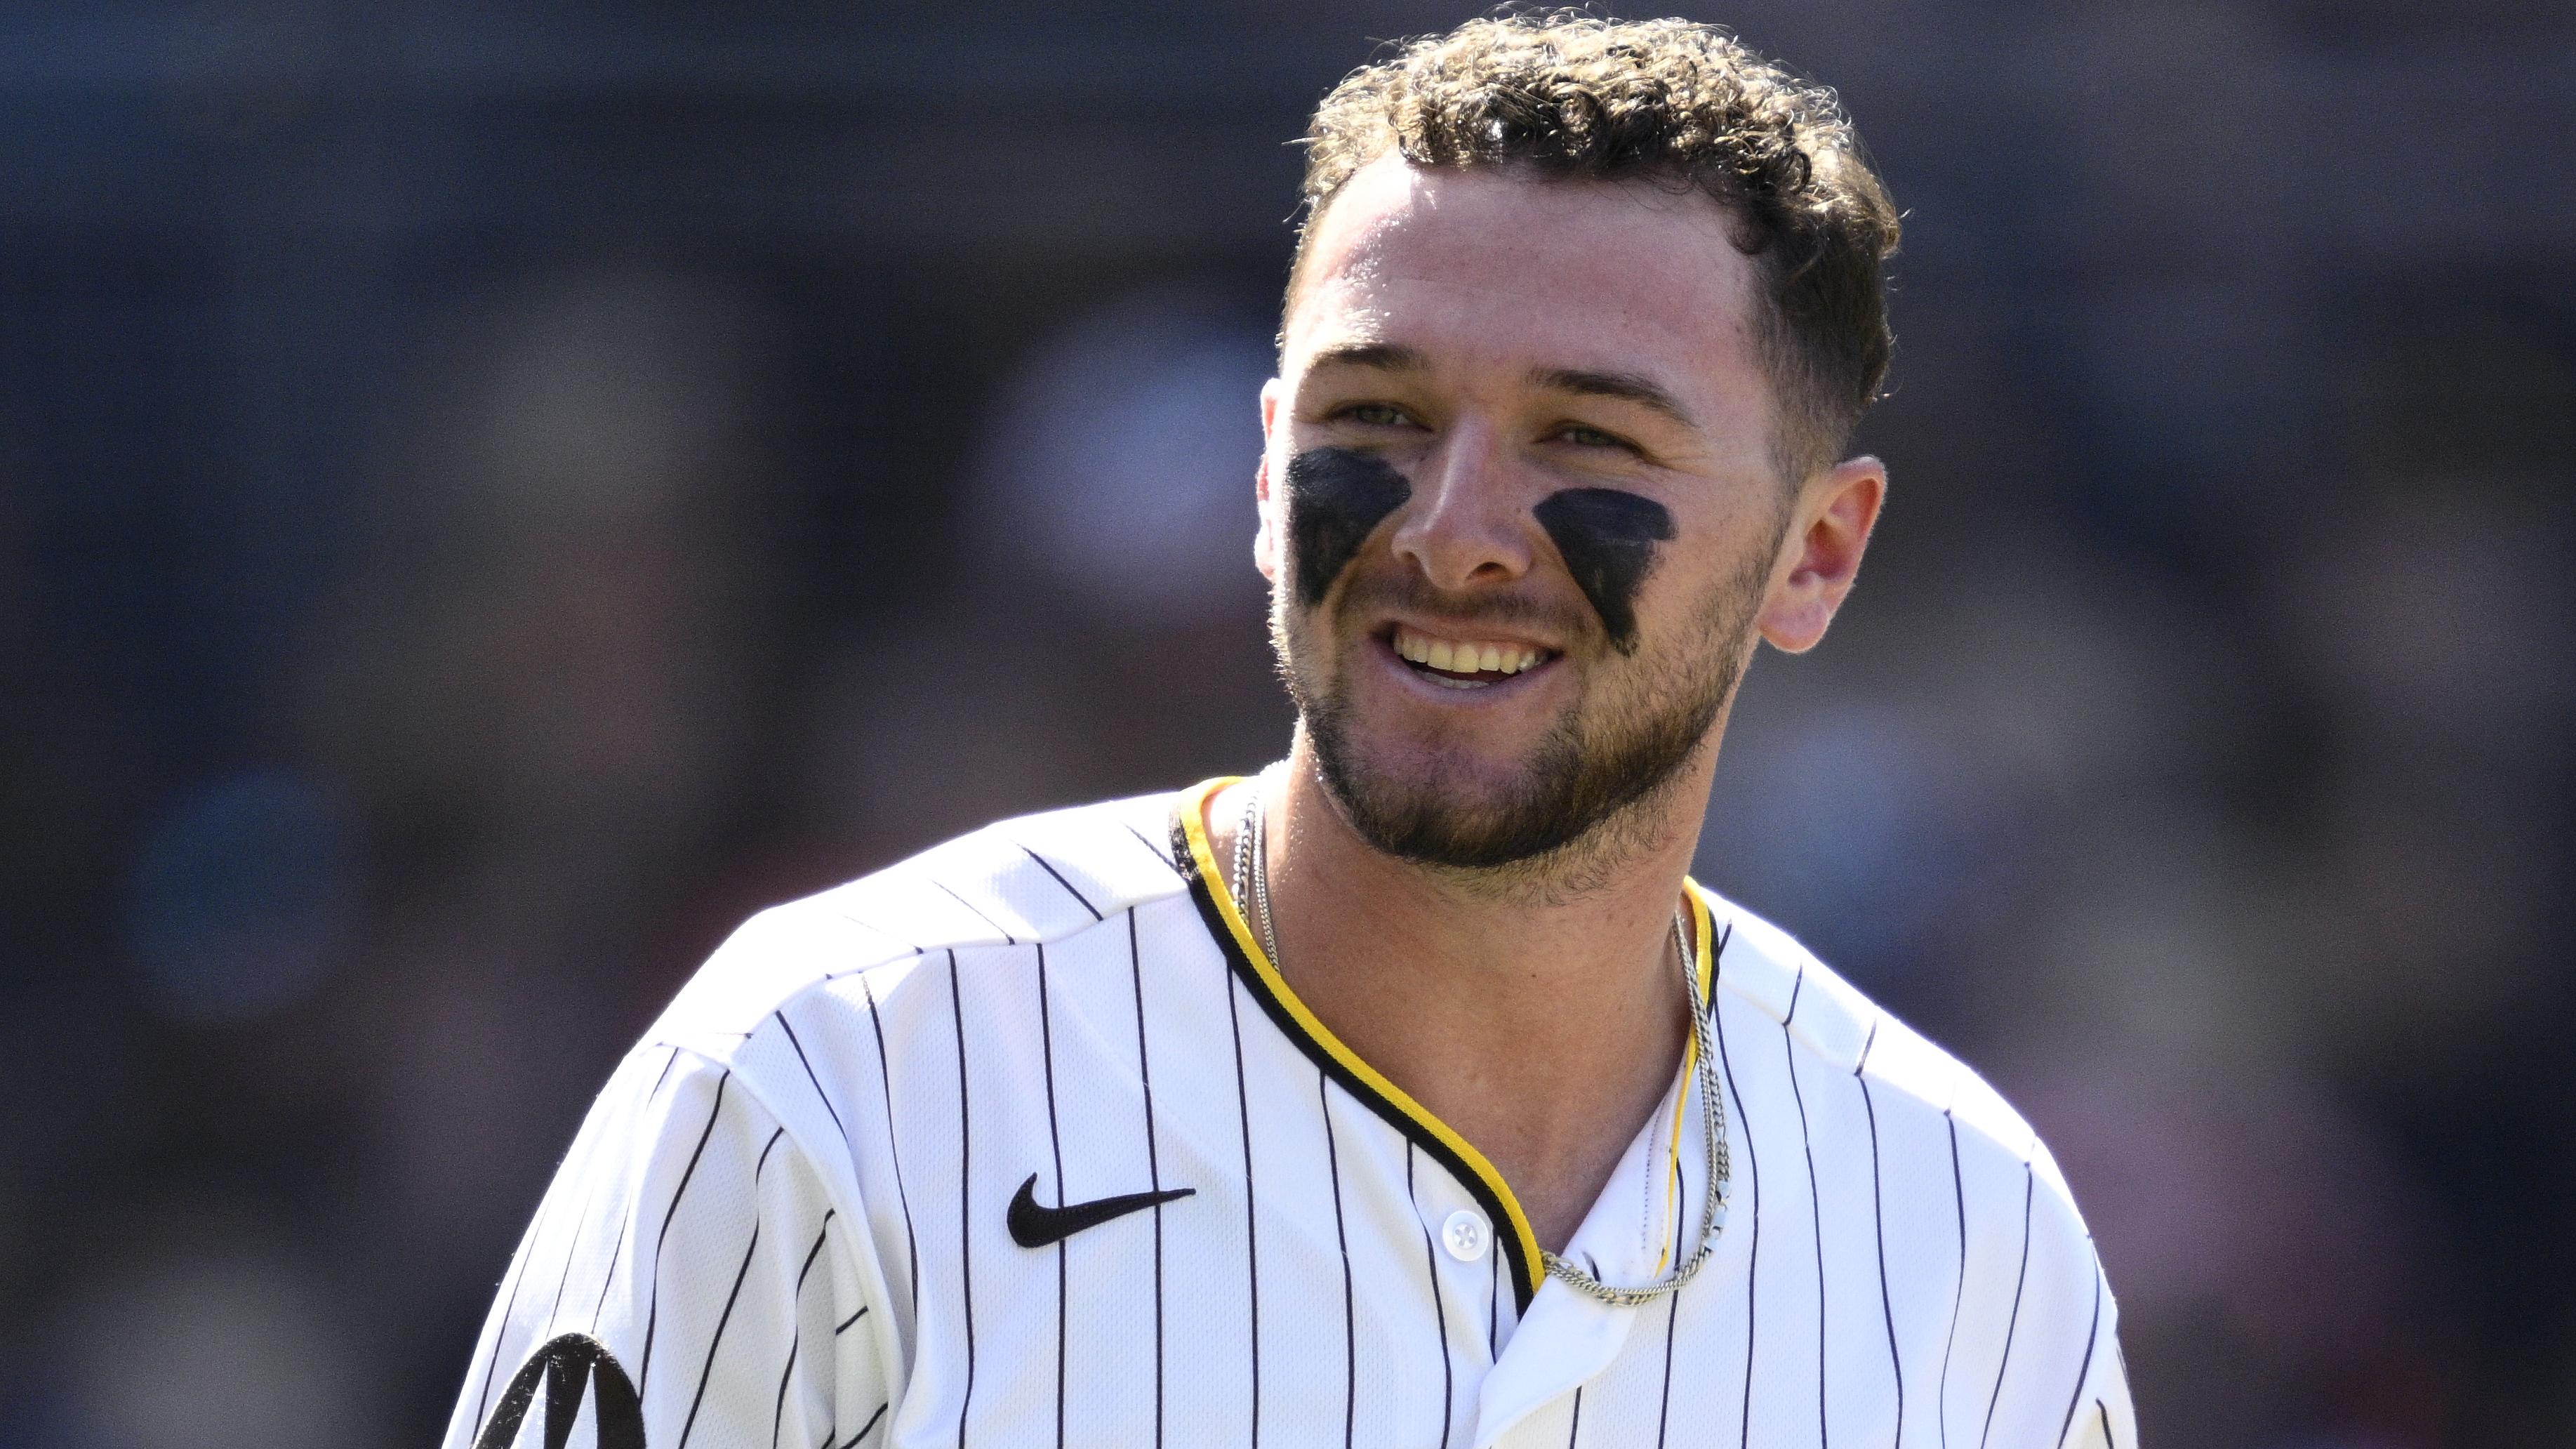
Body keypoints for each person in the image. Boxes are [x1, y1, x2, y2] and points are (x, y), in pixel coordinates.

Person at [444, 14, 2134, 1448]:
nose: (1453, 532)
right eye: (1374, 416)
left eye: (1587, 440)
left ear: (1813, 552)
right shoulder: (829, 1070)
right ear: (1265, 475)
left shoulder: (1966, 1236)